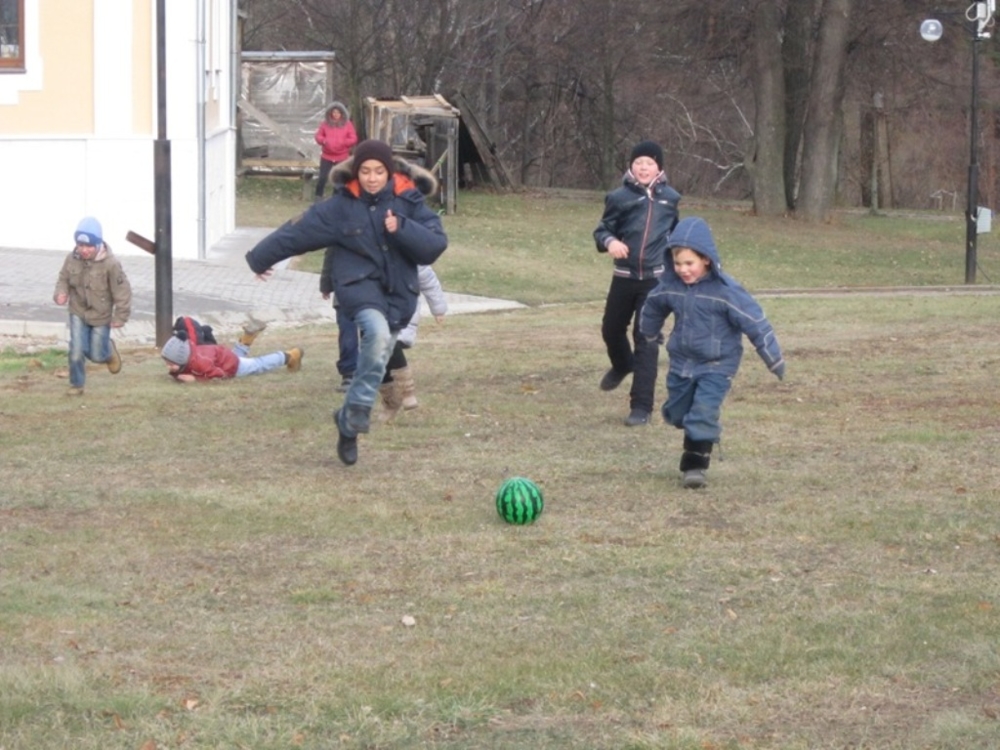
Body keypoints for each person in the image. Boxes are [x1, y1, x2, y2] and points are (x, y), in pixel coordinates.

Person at [245, 138, 448, 466]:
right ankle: (357, 413)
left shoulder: (408, 201)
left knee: (379, 355)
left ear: (388, 172)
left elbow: (435, 245)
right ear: (356, 171)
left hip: (398, 295)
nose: (371, 178)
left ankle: (349, 422)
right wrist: (260, 258)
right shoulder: (340, 207)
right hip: (359, 288)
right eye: (365, 171)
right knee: (378, 335)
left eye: (378, 171)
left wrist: (403, 227)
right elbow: (298, 231)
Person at [639, 216, 785, 489]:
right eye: (677, 263)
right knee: (678, 414)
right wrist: (649, 332)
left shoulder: (726, 292)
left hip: (718, 364)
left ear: (706, 259)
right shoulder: (671, 286)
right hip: (682, 362)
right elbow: (653, 306)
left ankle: (694, 467)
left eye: (689, 263)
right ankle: (694, 427)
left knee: (702, 413)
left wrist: (773, 358)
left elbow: (755, 322)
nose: (682, 269)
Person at [593, 140, 680, 427]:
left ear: (659, 167)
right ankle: (622, 364)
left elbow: (677, 238)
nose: (643, 167)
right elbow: (602, 229)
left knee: (647, 341)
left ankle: (641, 407)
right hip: (624, 278)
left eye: (649, 163)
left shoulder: (671, 199)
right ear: (631, 166)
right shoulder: (618, 197)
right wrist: (611, 242)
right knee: (611, 329)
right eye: (639, 162)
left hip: (654, 282)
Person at [53, 216, 132, 396]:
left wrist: (121, 316)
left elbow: (122, 291)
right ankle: (77, 384)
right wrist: (60, 293)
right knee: (76, 349)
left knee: (96, 355)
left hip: (101, 316)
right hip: (78, 311)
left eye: (89, 246)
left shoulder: (111, 264)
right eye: (80, 246)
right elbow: (63, 279)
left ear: (98, 244)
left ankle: (109, 351)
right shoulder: (71, 259)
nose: (84, 250)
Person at [375, 264, 448, 419]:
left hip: (403, 312)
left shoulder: (411, 253)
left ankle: (407, 390)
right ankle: (390, 399)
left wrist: (438, 309)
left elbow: (429, 282)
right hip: (376, 308)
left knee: (389, 342)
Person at [160, 320, 303, 382]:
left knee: (258, 364)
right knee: (235, 356)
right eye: (167, 363)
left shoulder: (202, 363)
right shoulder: (189, 355)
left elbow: (219, 375)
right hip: (224, 356)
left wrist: (196, 380)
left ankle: (290, 356)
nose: (168, 367)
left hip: (231, 366)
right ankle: (247, 338)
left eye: (171, 364)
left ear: (183, 358)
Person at [313, 101, 358, 201]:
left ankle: (337, 197)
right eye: (334, 112)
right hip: (326, 156)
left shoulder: (348, 124)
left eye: (338, 112)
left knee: (338, 178)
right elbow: (318, 136)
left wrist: (344, 143)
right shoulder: (325, 124)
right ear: (330, 113)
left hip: (341, 156)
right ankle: (318, 196)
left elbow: (353, 138)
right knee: (322, 177)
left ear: (342, 113)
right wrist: (324, 141)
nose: (336, 115)